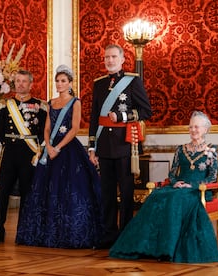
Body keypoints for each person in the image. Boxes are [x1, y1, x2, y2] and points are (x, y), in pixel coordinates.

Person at [109, 111, 218, 263]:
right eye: (190, 127)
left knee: (176, 199)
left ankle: (169, 248)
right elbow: (173, 174)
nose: (193, 130)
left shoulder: (211, 150)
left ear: (205, 129)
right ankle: (150, 246)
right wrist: (175, 182)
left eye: (197, 127)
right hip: (179, 187)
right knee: (156, 196)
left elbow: (212, 177)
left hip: (199, 191)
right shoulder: (181, 149)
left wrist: (193, 185)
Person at [16, 65, 103, 248]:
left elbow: (75, 129)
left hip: (68, 150)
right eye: (57, 80)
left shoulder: (75, 102)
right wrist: (48, 145)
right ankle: (46, 234)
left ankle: (69, 233)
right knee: (45, 190)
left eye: (63, 81)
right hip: (51, 149)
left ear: (70, 83)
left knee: (70, 190)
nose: (60, 84)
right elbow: (47, 128)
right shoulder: (51, 102)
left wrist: (58, 148)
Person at [88, 44, 152, 248]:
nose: (109, 60)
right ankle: (108, 234)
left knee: (125, 193)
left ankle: (125, 235)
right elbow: (94, 118)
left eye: (114, 56)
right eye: (106, 57)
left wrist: (122, 116)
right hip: (104, 147)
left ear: (123, 59)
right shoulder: (98, 84)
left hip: (125, 147)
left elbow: (146, 111)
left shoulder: (133, 81)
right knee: (106, 193)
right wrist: (92, 147)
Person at [0, 70, 47, 245]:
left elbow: (44, 131)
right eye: (18, 81)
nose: (21, 84)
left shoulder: (39, 105)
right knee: (3, 191)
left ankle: (24, 230)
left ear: (30, 84)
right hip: (10, 152)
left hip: (29, 154)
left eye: (24, 81)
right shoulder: (5, 105)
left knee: (27, 193)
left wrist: (37, 149)